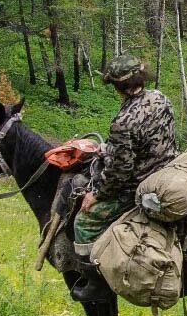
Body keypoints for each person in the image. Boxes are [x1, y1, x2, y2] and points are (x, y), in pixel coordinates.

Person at [72, 54, 179, 260]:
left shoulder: (123, 121)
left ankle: (94, 279)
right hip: (169, 170)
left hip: (138, 186)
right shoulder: (160, 98)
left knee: (85, 222)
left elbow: (120, 172)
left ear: (118, 87)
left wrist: (96, 195)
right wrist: (110, 149)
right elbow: (151, 141)